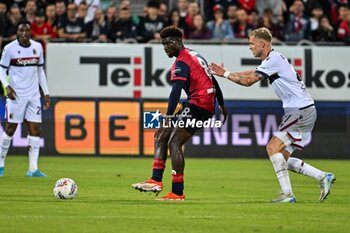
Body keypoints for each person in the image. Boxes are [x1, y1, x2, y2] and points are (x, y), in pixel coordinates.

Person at [209, 27, 335, 203]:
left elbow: (248, 81)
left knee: (272, 148)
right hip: (304, 110)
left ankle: (288, 195)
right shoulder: (273, 59)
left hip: (300, 110)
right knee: (281, 158)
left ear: (263, 43)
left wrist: (227, 74)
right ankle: (322, 176)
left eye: (252, 43)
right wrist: (226, 73)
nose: (250, 47)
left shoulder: (273, 59)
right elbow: (251, 73)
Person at [132, 26, 227, 201]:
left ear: (177, 41)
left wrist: (168, 117)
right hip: (200, 104)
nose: (165, 48)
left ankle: (177, 192)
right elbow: (212, 79)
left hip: (199, 104)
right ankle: (155, 180)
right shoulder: (194, 55)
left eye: (168, 43)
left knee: (174, 143)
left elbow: (175, 92)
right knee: (161, 135)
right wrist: (221, 103)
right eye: (163, 44)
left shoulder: (181, 62)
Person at [0, 20, 50, 177]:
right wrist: (7, 86)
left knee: (36, 129)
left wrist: (46, 93)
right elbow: (1, 70)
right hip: (16, 95)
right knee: (10, 129)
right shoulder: (9, 49)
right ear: (17, 33)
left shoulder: (37, 47)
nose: (24, 33)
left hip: (34, 95)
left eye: (27, 31)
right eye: (21, 31)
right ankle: (0, 164)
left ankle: (33, 169)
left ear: (31, 32)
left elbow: (40, 71)